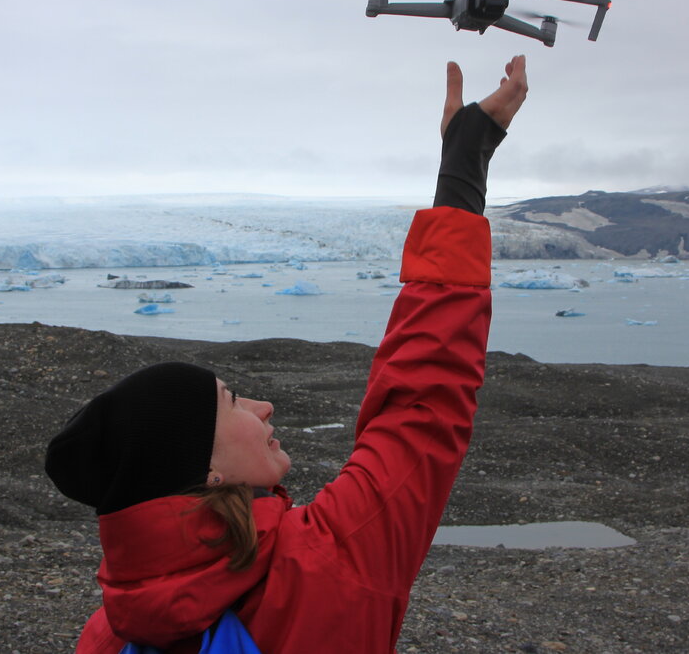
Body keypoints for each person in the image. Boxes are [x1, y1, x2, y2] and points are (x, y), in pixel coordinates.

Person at [44, 55, 529, 653]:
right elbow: (421, 406)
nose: (264, 406)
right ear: (206, 470)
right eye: (231, 403)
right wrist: (464, 165)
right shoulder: (326, 563)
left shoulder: (110, 635)